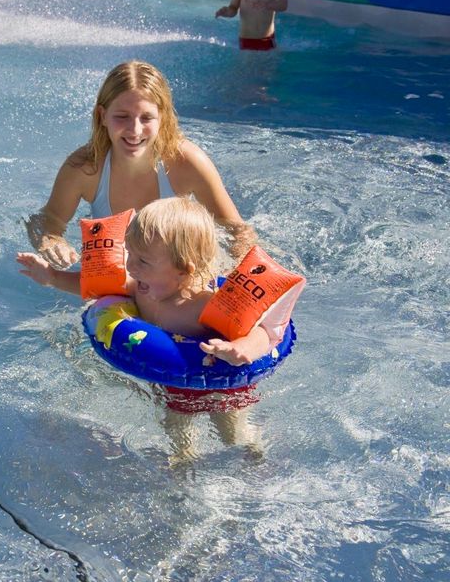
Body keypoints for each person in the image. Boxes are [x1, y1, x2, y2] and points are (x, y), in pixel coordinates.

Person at [18, 197, 270, 464]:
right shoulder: (141, 286)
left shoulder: (205, 305)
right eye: (130, 253)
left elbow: (262, 330)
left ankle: (256, 450)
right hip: (175, 385)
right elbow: (95, 286)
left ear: (183, 271)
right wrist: (53, 277)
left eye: (143, 261)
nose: (130, 266)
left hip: (222, 386)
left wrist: (241, 348)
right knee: (178, 438)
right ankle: (184, 472)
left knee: (233, 435)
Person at [25, 60, 257, 271]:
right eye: (122, 116)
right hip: (118, 270)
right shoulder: (85, 169)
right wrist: (52, 242)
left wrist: (228, 275)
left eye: (146, 118)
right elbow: (47, 221)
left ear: (162, 118)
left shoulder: (186, 163)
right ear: (102, 116)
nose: (135, 130)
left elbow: (239, 232)